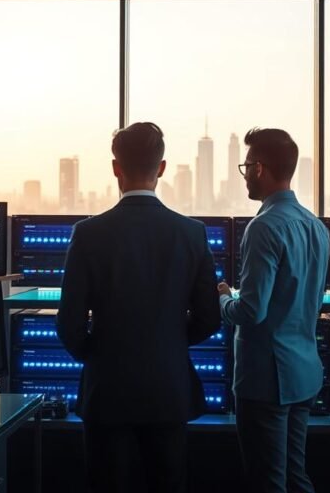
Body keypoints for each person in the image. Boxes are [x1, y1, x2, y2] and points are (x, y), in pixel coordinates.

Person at [56, 122, 222, 493]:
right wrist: (170, 343)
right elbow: (210, 318)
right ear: (161, 168)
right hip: (168, 388)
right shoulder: (192, 233)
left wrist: (99, 353)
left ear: (116, 167)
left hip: (107, 390)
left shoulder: (88, 234)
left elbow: (68, 325)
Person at [218, 128, 330, 493]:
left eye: (246, 166)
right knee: (296, 475)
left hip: (266, 379)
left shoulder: (264, 227)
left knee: (268, 481)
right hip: (304, 372)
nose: (245, 174)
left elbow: (251, 311)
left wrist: (222, 297)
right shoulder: (316, 226)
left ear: (260, 168)